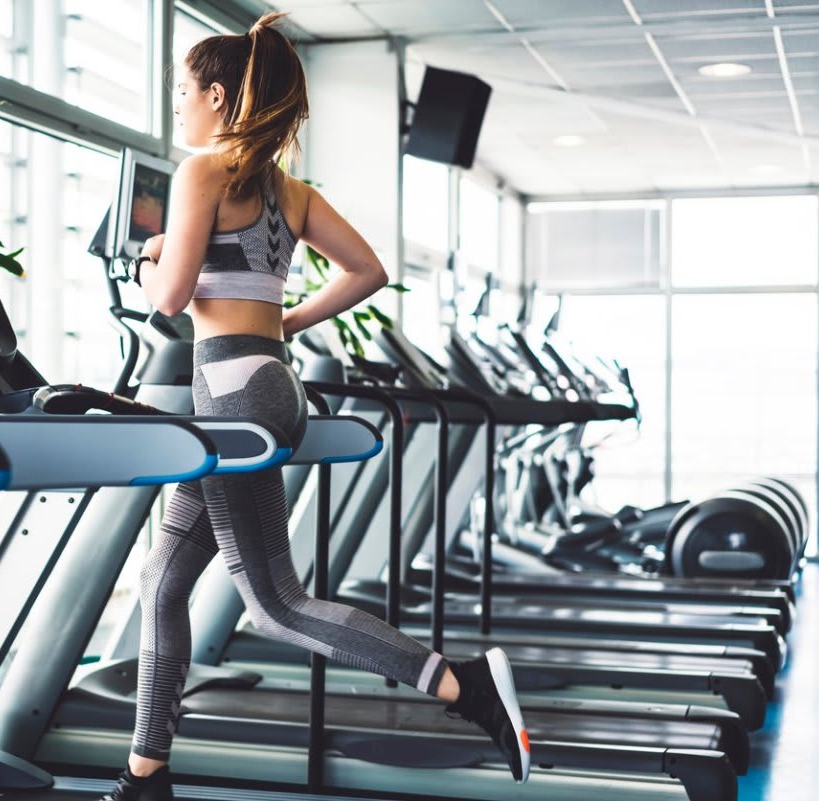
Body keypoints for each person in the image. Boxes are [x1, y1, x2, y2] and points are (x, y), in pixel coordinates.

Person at [101, 12, 529, 801]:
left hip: (230, 395)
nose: (178, 109)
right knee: (164, 580)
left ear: (218, 96)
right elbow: (367, 268)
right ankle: (145, 774)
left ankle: (462, 685)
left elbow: (166, 299)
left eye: (182, 93)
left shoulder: (202, 173)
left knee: (275, 604)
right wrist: (286, 321)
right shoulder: (287, 190)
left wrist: (147, 253)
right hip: (263, 382)